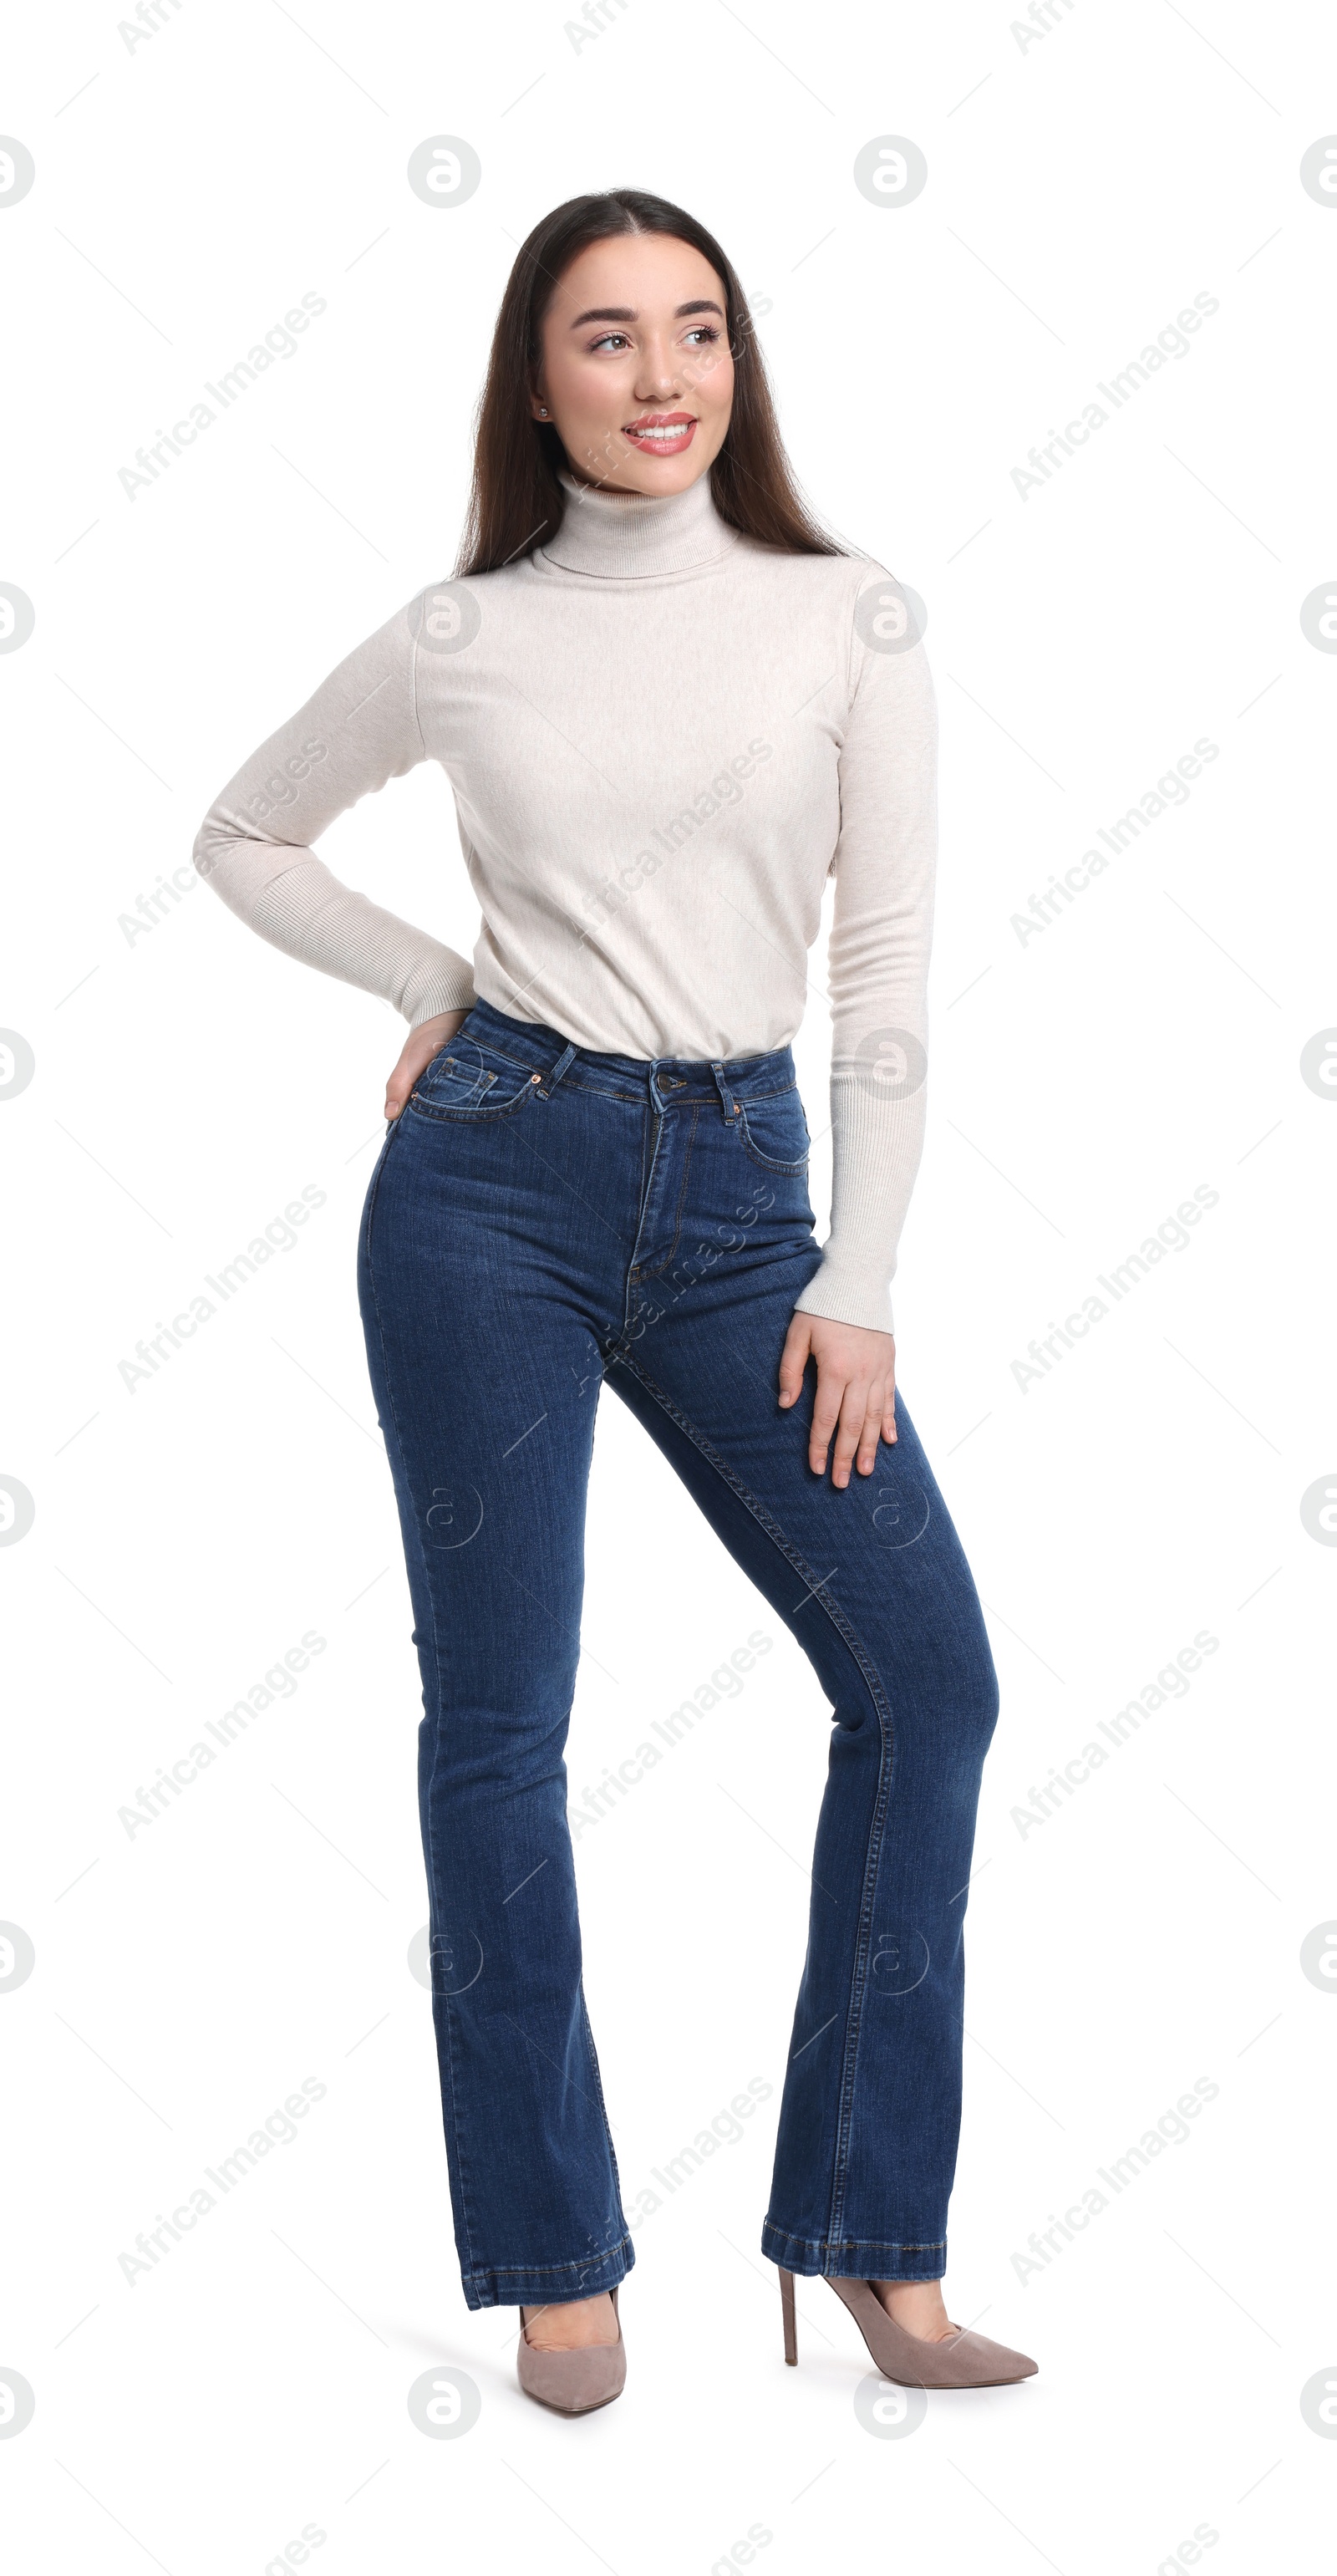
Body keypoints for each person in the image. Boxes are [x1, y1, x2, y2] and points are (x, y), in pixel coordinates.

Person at [193, 187, 1037, 2415]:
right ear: (535, 375)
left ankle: (871, 2235)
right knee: (502, 1730)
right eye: (606, 337)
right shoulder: (462, 636)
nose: (661, 379)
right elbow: (244, 834)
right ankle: (554, 2250)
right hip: (487, 1185)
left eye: (698, 333)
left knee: (928, 1683)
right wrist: (434, 975)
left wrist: (861, 1278)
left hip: (753, 1196)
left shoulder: (850, 619)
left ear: (738, 368)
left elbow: (881, 974)